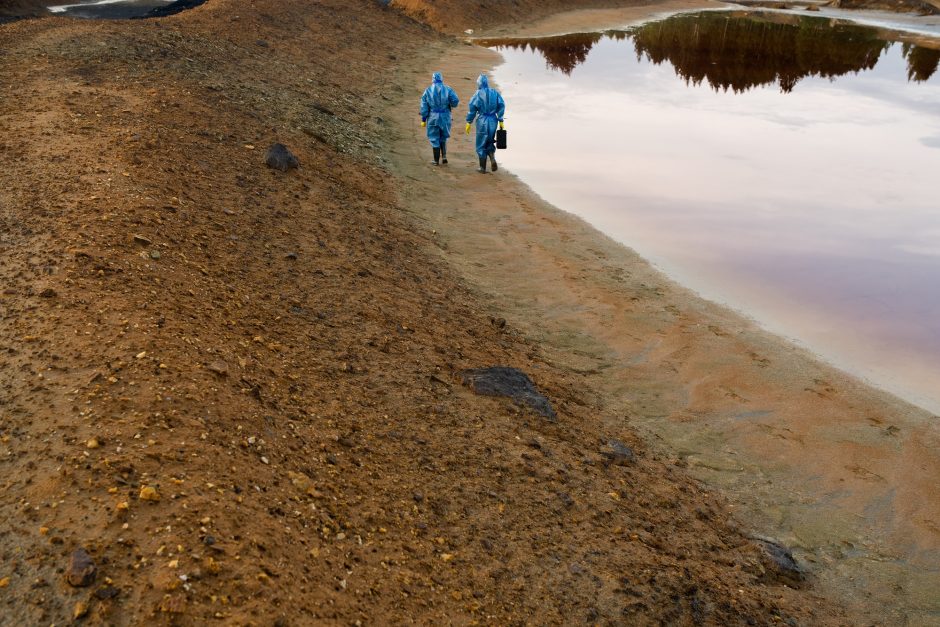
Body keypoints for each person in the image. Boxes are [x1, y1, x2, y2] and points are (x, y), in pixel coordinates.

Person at [465, 73, 505, 173]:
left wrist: (469, 122)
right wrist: (500, 120)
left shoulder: (477, 94)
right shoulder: (494, 93)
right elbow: (501, 105)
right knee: (490, 140)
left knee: (481, 143)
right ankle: (492, 158)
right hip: (493, 120)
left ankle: (482, 167)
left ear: (479, 83)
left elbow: (472, 109)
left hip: (482, 120)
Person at [420, 72, 460, 166]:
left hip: (433, 117)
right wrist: (450, 104)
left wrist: (423, 118)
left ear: (433, 79)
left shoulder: (428, 90)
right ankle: (444, 156)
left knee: (434, 138)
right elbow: (455, 101)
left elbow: (424, 107)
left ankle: (436, 160)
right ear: (441, 79)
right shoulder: (448, 89)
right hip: (445, 116)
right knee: (443, 136)